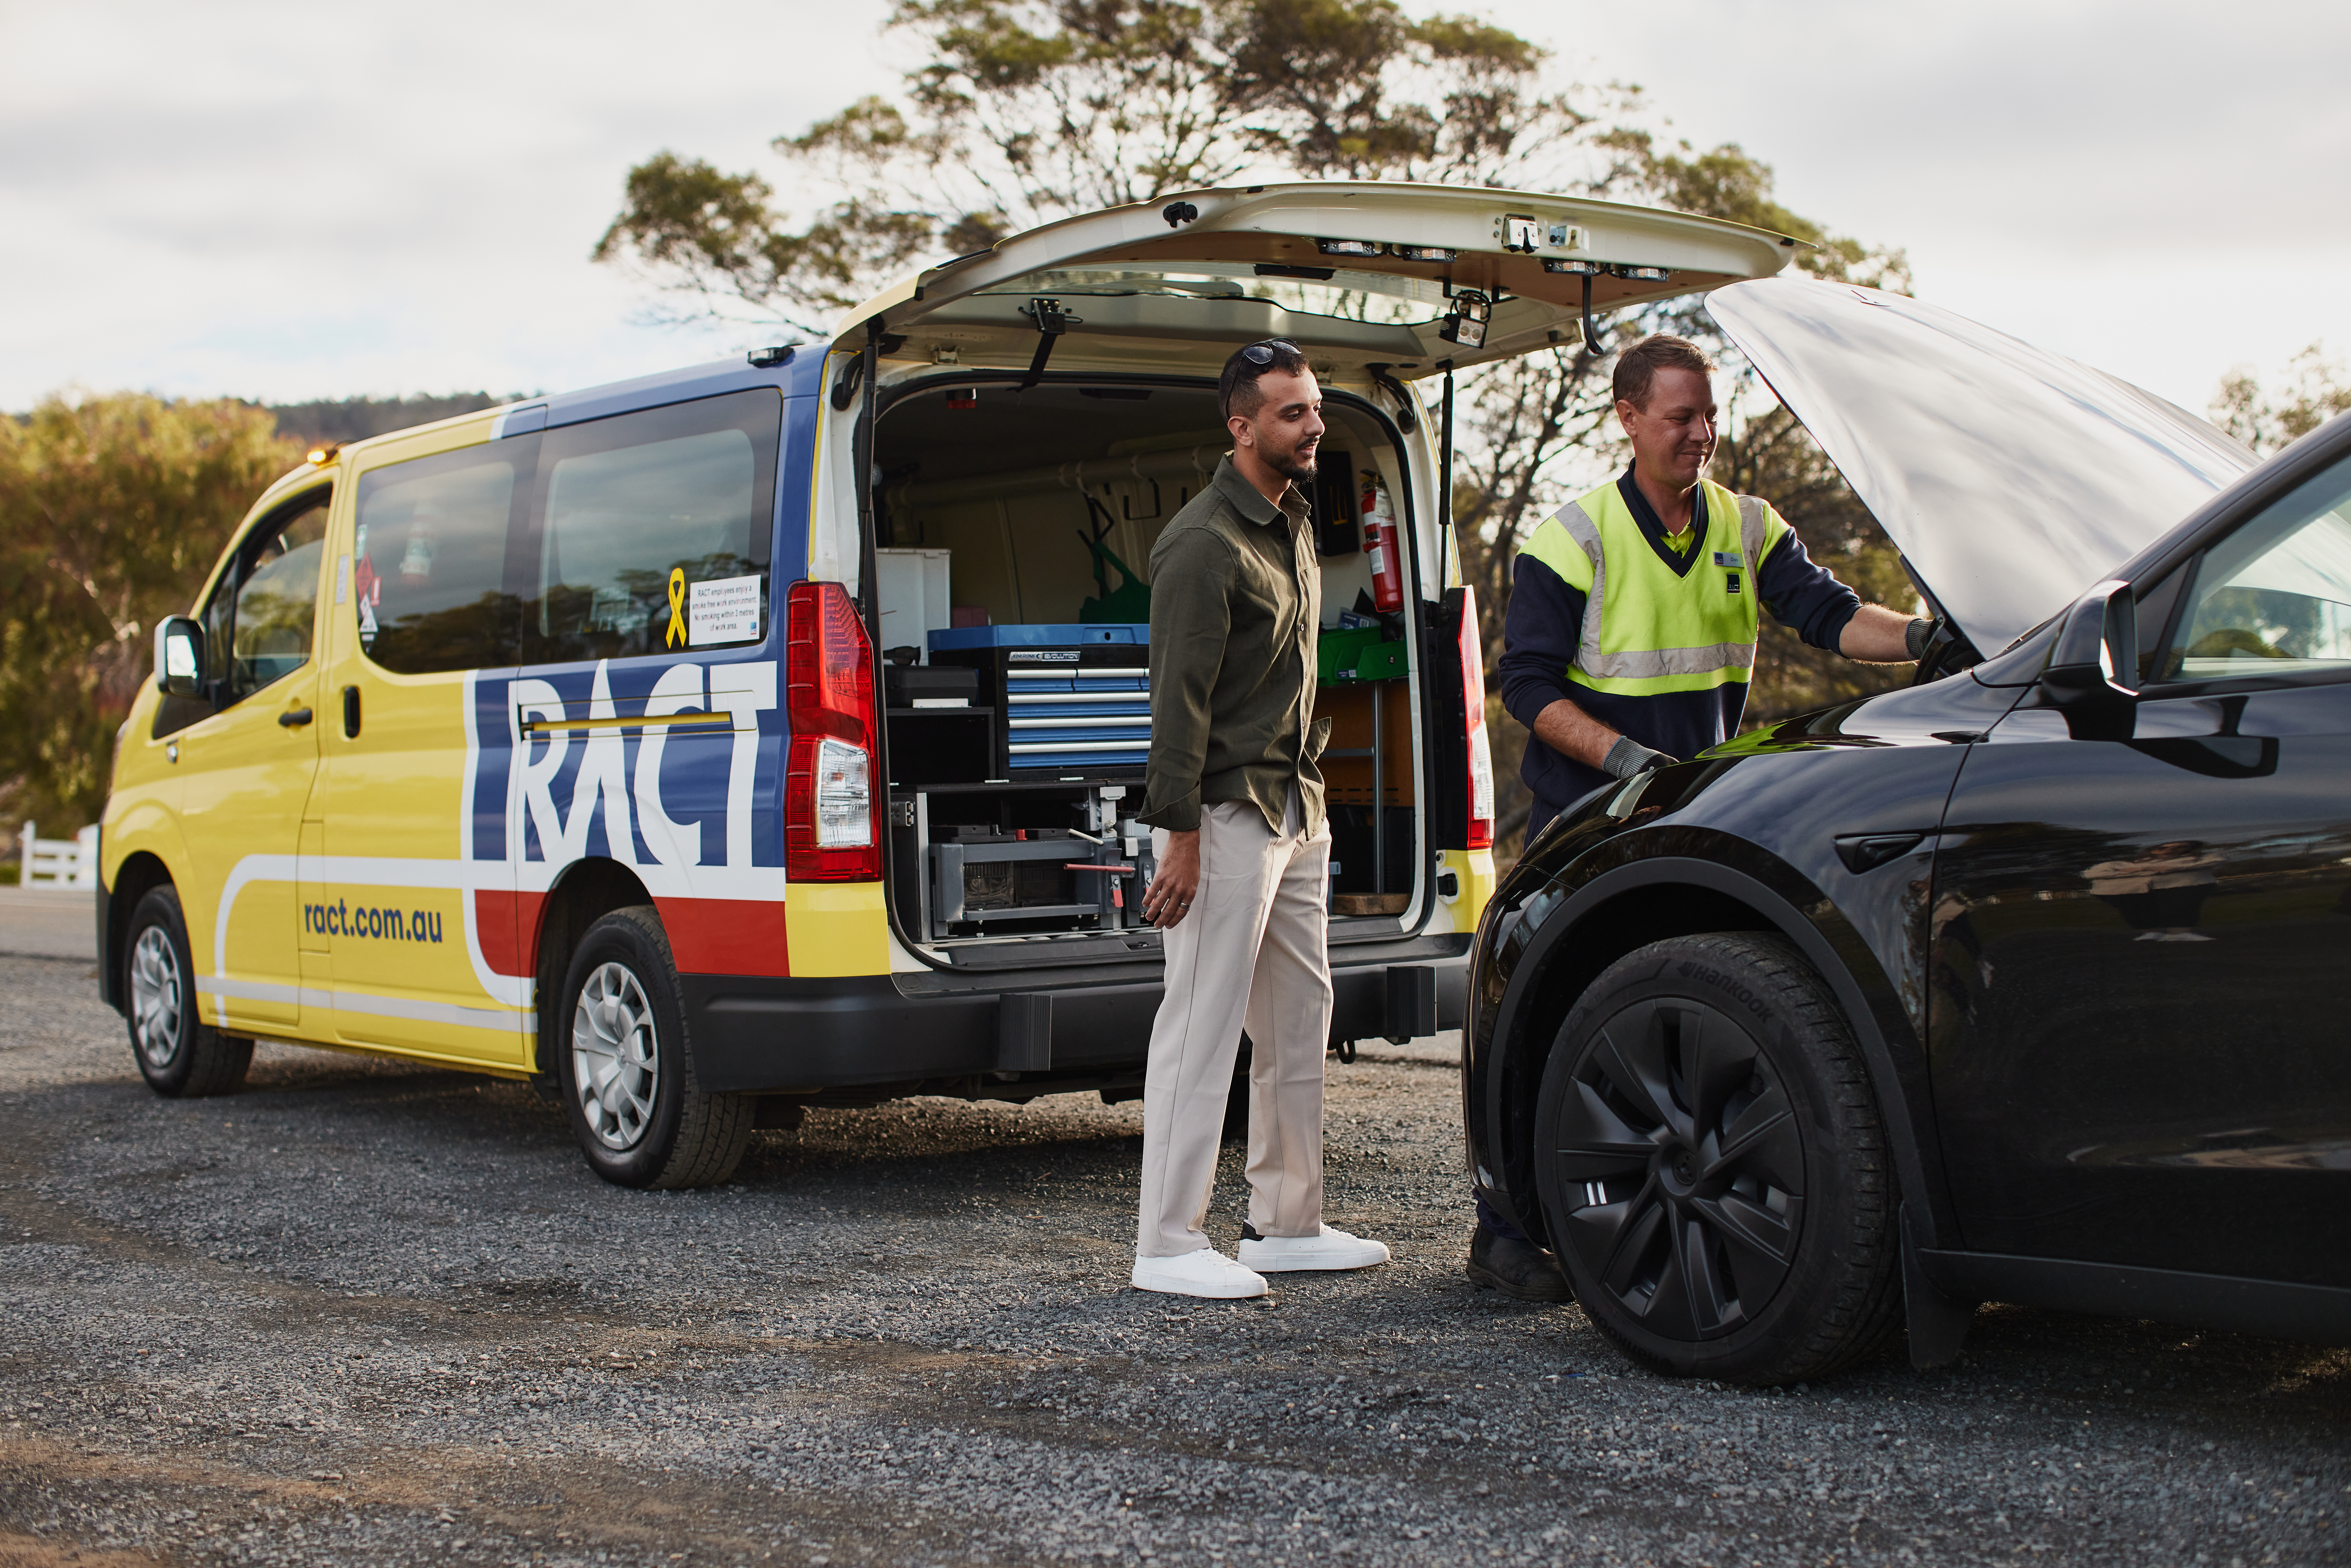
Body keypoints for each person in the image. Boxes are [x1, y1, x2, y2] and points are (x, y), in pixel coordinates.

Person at [1471, 333, 1931, 1301]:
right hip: (1586, 817)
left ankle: (1664, 1208)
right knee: (1545, 1017)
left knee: (1668, 1026)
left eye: (1710, 416)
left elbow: (1831, 615)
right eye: (1681, 418)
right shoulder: (1573, 537)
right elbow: (1525, 685)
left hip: (1693, 812)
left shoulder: (1746, 525)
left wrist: (1924, 639)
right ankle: (1503, 1231)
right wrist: (1621, 757)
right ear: (1629, 418)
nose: (1702, 436)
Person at [1129, 339, 1392, 1299]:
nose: (1314, 424)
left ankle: (1286, 1225)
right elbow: (1178, 703)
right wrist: (1183, 837)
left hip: (1295, 803)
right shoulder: (1203, 544)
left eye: (1316, 407)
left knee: (1296, 1022)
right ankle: (1166, 1244)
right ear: (1242, 427)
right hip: (1223, 814)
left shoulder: (1292, 523)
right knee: (1201, 1025)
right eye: (1291, 412)